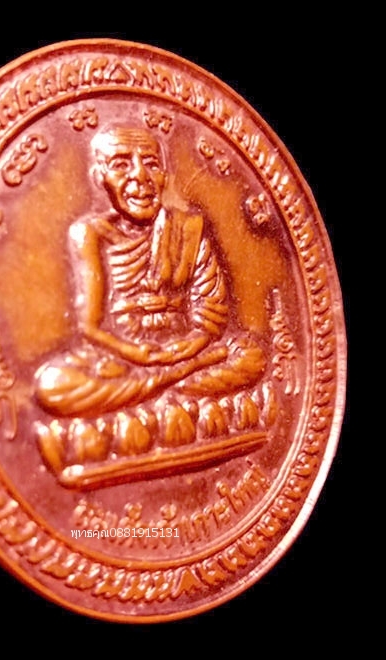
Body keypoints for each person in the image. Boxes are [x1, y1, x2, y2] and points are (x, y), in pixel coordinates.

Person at [34, 125, 270, 472]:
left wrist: (187, 348)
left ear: (164, 176)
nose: (139, 177)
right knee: (54, 385)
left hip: (187, 351)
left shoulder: (189, 228)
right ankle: (176, 401)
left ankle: (149, 408)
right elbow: (90, 326)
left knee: (252, 356)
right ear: (100, 178)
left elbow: (212, 313)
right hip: (122, 358)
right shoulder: (91, 234)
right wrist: (138, 355)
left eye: (151, 163)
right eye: (121, 164)